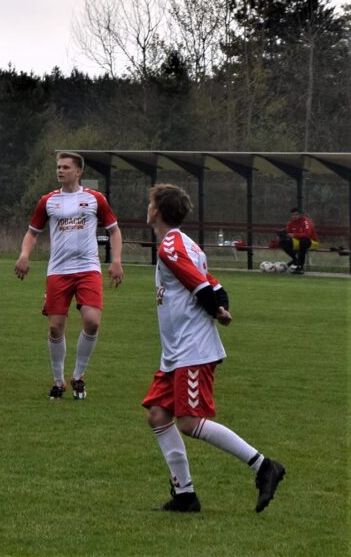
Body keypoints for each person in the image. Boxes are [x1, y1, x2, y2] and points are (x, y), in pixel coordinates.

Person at [143, 183, 285, 513]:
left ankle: (264, 466)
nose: (147, 207)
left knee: (190, 422)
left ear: (157, 210)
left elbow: (201, 284)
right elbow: (215, 283)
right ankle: (185, 495)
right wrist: (221, 306)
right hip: (176, 352)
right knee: (158, 415)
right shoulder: (186, 243)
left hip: (193, 348)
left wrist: (214, 308)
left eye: (150, 203)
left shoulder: (170, 246)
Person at [14, 151, 123, 400]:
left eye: (65, 167)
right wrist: (24, 255)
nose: (60, 171)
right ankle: (58, 380)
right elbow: (32, 232)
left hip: (88, 269)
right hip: (58, 271)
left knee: (92, 321)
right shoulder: (48, 201)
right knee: (55, 327)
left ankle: (78, 376)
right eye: (58, 167)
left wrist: (116, 261)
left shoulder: (95, 199)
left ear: (78, 171)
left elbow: (114, 231)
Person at [278, 206, 318, 275]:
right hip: (297, 242)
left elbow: (307, 234)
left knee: (304, 241)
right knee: (283, 242)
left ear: (300, 215)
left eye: (296, 214)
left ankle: (300, 266)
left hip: (311, 241)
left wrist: (294, 235)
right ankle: (295, 260)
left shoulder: (305, 221)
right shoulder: (291, 223)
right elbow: (288, 234)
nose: (294, 216)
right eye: (293, 215)